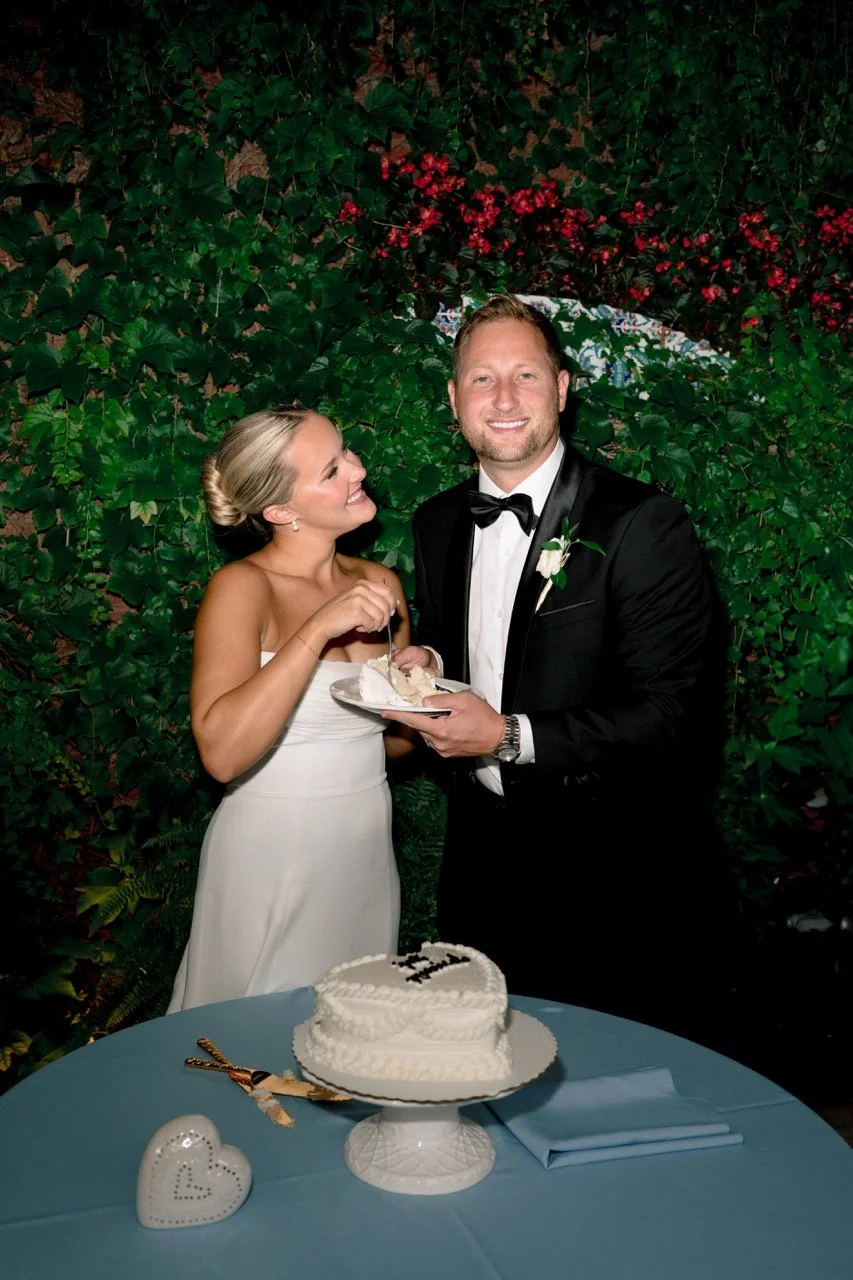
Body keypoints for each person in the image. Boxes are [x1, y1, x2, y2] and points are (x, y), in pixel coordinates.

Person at [386, 294, 735, 1039]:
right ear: (453, 398)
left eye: (526, 377)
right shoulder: (437, 520)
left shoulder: (640, 523)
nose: (504, 399)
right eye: (482, 379)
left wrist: (508, 736)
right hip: (479, 862)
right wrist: (428, 662)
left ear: (563, 389)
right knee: (480, 1079)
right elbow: (472, 644)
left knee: (606, 1106)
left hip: (612, 876)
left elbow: (675, 715)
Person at [168, 406, 410, 1012]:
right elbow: (221, 755)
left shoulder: (380, 582)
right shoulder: (243, 587)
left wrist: (419, 685)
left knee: (351, 1035)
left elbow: (396, 746)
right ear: (281, 512)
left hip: (364, 846)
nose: (357, 468)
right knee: (252, 1039)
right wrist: (320, 628)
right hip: (274, 852)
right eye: (331, 469)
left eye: (347, 451)